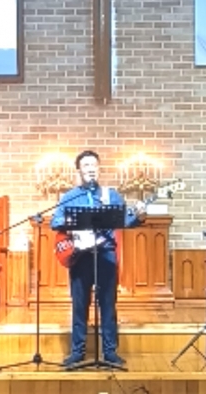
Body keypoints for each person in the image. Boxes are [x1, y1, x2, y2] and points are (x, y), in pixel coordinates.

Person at [50, 150, 146, 366]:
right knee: (79, 305)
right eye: (86, 165)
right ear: (79, 171)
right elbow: (55, 222)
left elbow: (125, 220)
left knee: (108, 305)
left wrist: (139, 216)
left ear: (99, 169)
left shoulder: (110, 195)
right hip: (80, 257)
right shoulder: (69, 197)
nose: (91, 169)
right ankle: (78, 352)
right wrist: (75, 223)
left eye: (94, 165)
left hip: (106, 256)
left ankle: (110, 352)